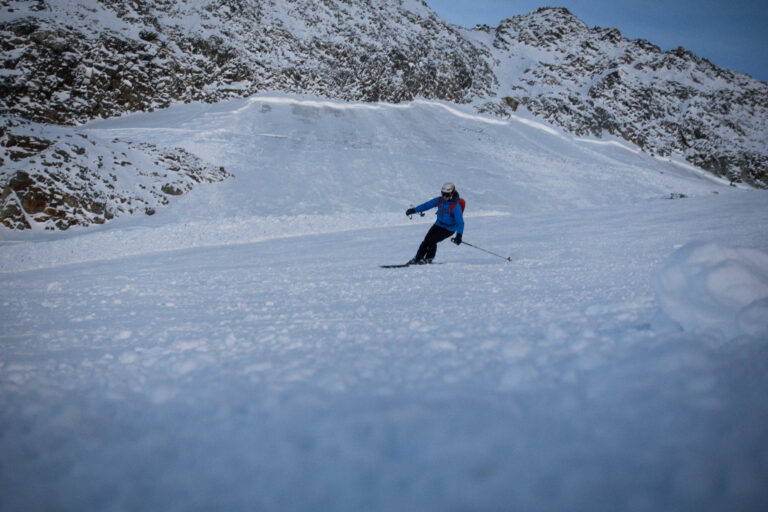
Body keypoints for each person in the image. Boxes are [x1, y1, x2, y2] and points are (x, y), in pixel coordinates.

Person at [405, 182, 464, 265]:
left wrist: (459, 236)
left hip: (449, 229)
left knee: (432, 240)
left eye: (447, 195)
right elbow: (427, 205)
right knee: (426, 241)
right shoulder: (440, 200)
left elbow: (460, 222)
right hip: (438, 224)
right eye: (443, 194)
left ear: (452, 194)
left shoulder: (455, 206)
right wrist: (414, 210)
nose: (444, 197)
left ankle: (428, 259)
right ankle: (418, 258)